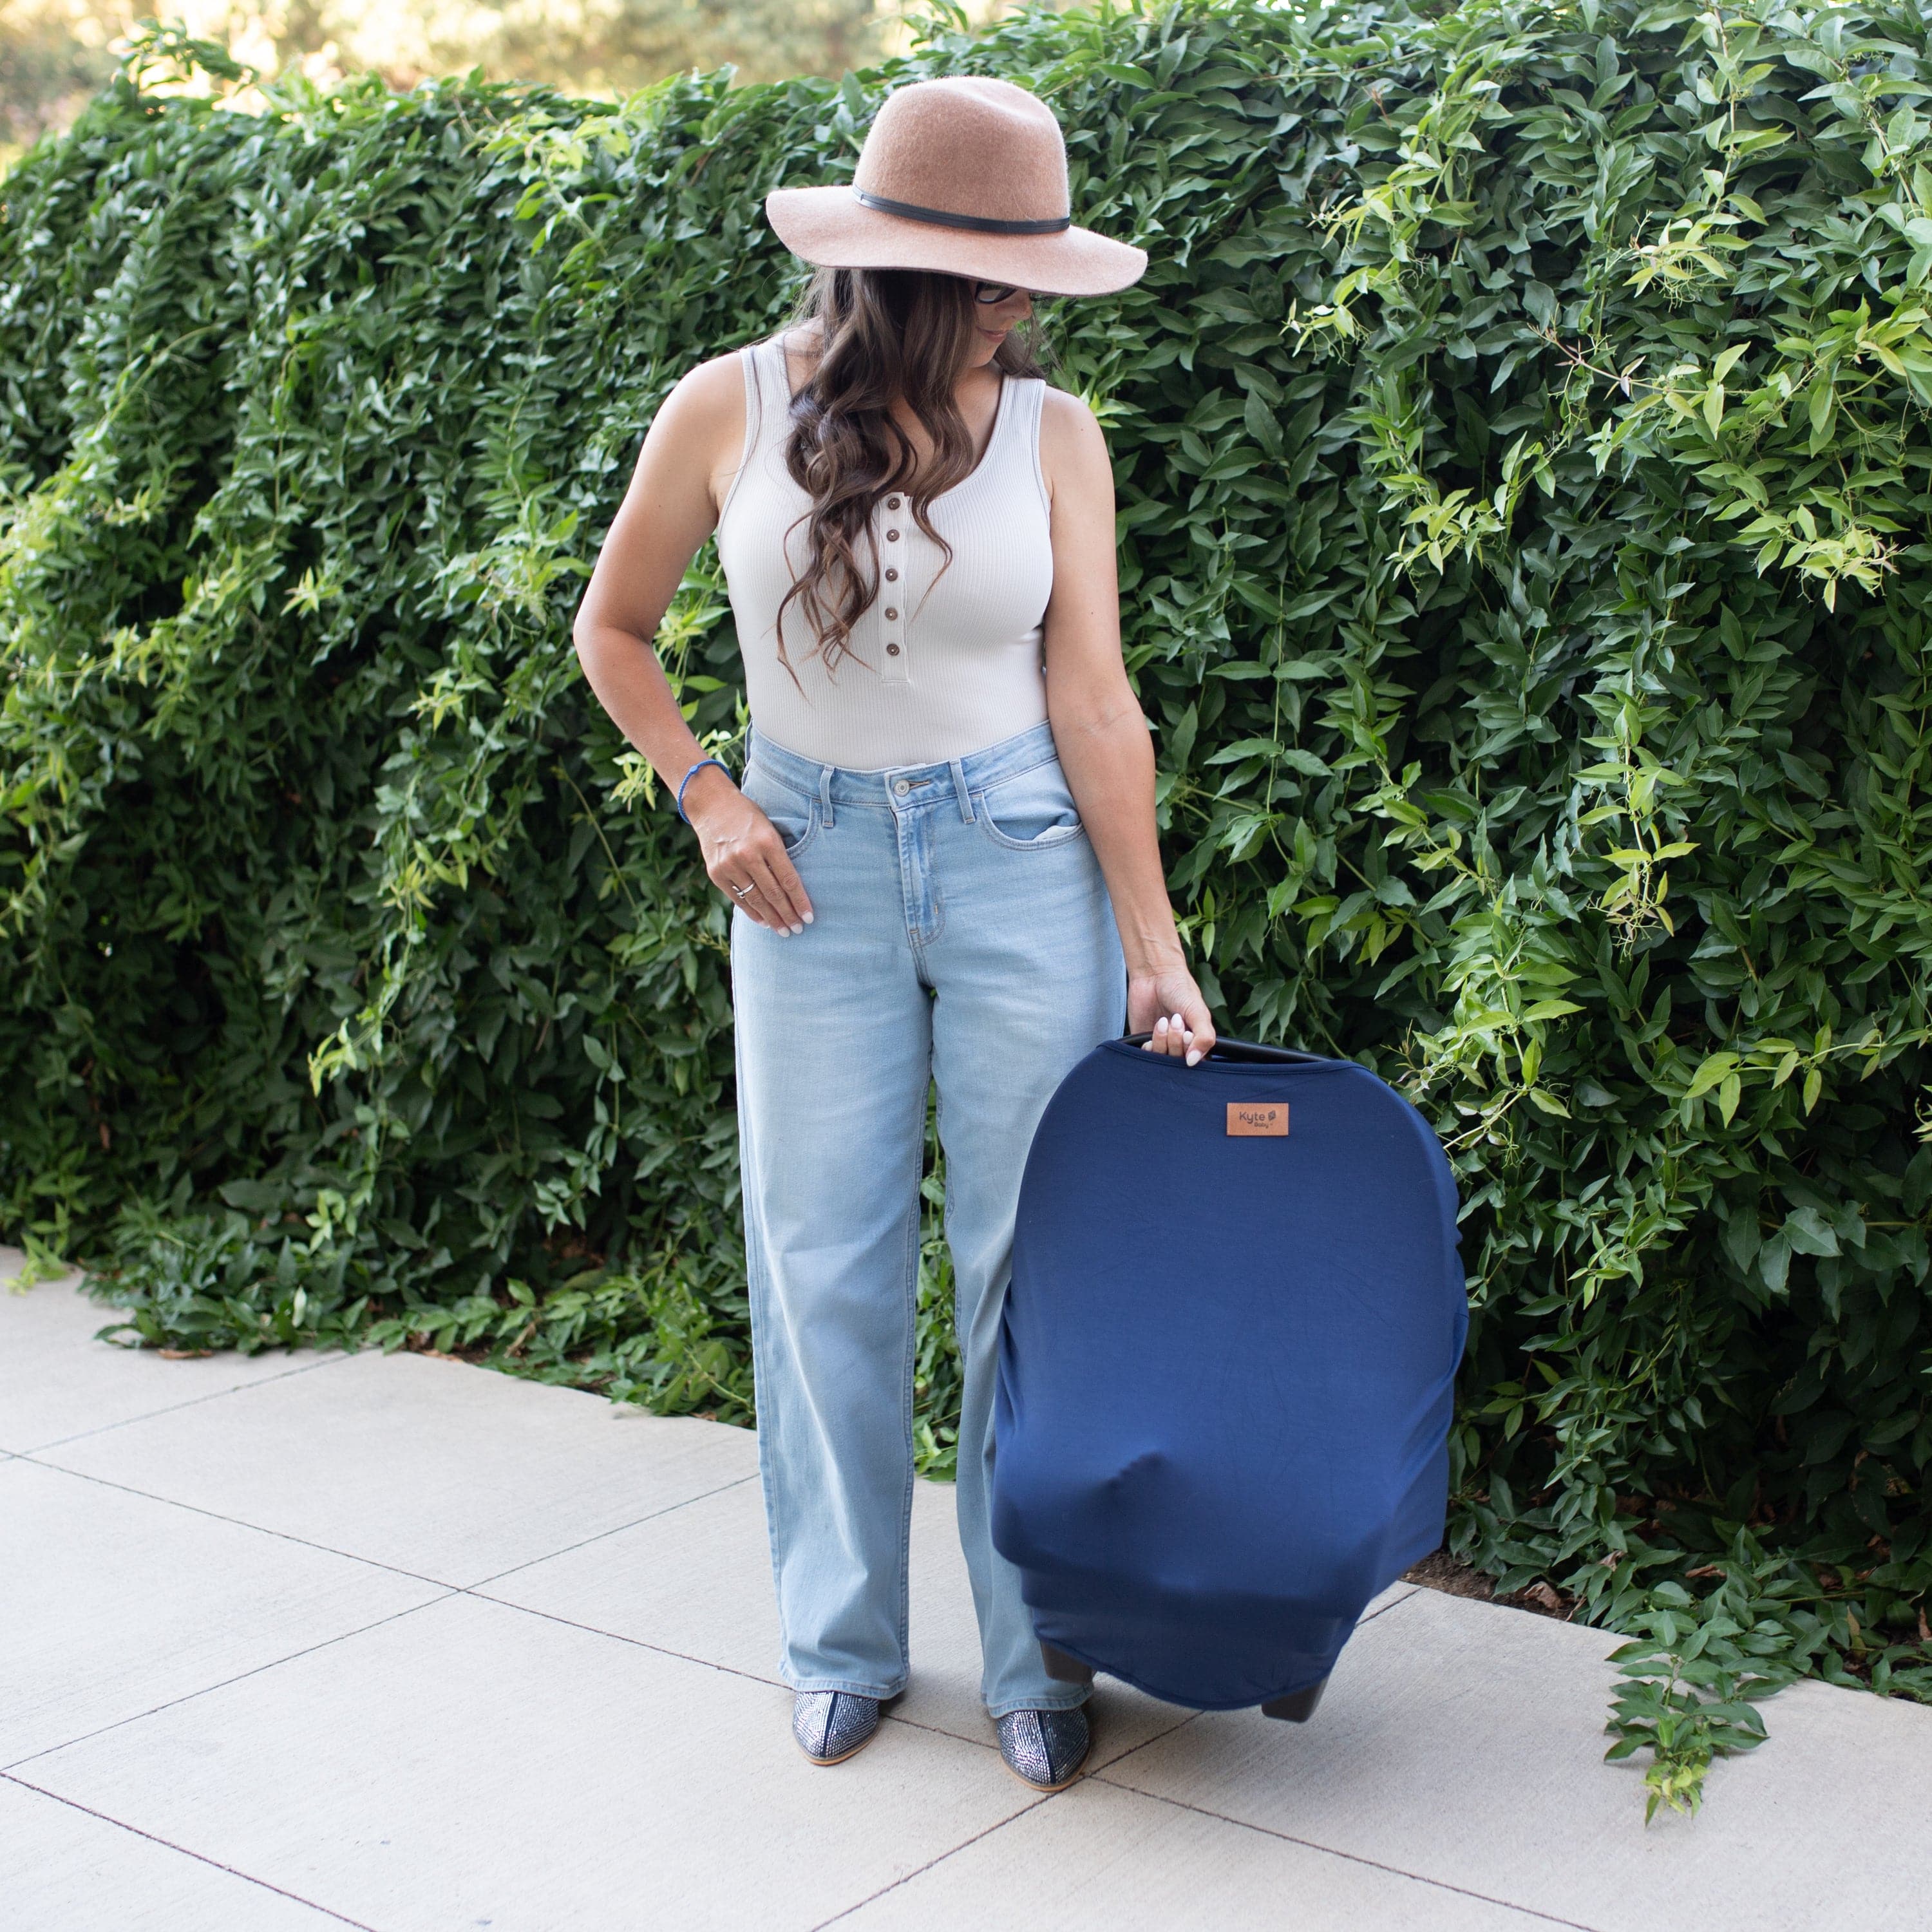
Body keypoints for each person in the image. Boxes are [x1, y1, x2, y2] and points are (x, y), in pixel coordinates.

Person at [573, 74, 1218, 1792]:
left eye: (1032, 282)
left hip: (1021, 857)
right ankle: (842, 1641)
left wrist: (1152, 940)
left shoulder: (1055, 435)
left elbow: (1095, 700)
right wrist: (709, 795)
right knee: (824, 1261)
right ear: (907, 269)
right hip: (810, 868)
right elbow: (614, 629)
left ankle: (1037, 1659)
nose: (1023, 308)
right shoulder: (724, 408)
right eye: (1001, 280)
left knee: (1034, 1276)